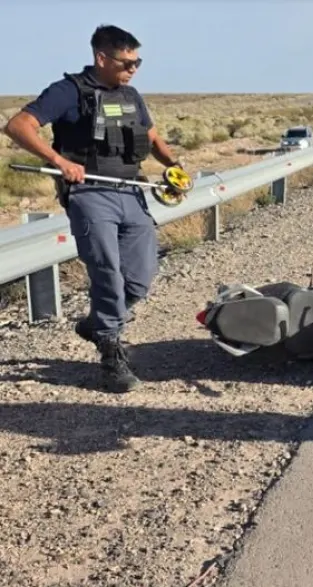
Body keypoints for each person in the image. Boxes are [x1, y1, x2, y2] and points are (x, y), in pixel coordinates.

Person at [3, 24, 183, 393]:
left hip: (131, 191)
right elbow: (18, 125)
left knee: (140, 277)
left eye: (138, 62)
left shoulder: (131, 95)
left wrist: (172, 165)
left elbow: (148, 136)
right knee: (107, 272)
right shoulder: (68, 91)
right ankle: (110, 352)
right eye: (126, 62)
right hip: (90, 194)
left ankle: (96, 323)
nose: (133, 69)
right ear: (101, 57)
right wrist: (59, 160)